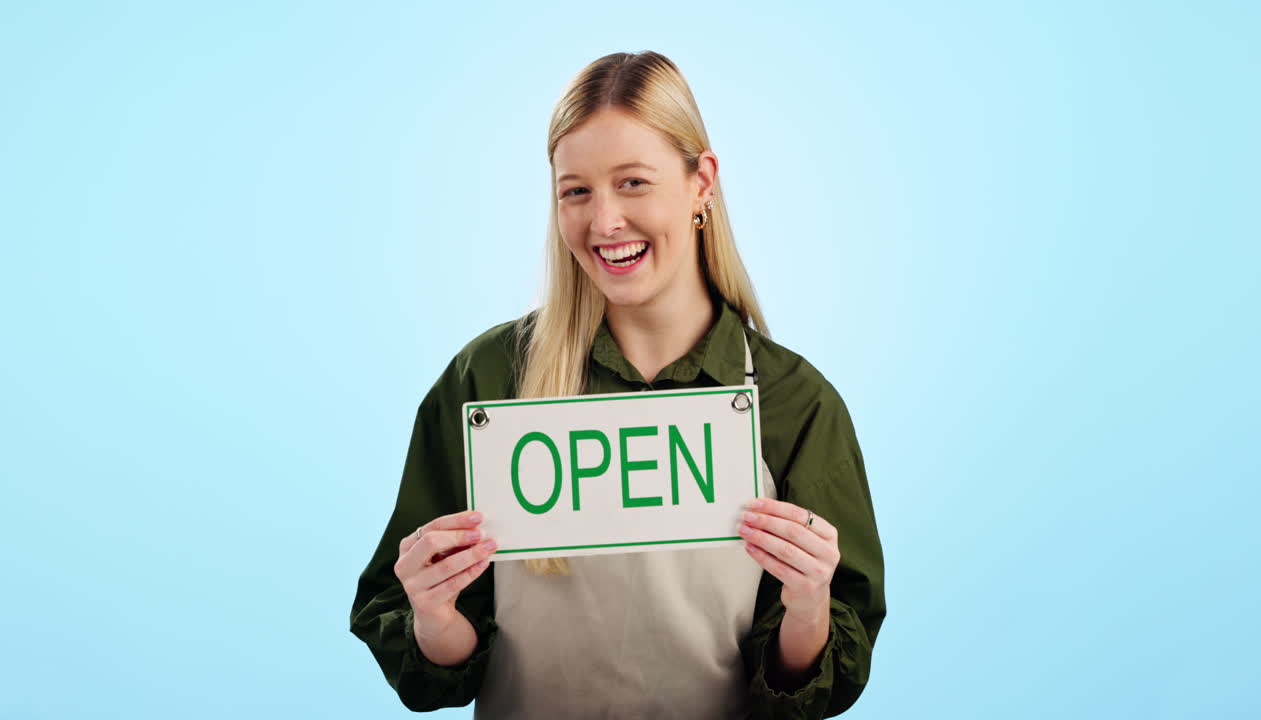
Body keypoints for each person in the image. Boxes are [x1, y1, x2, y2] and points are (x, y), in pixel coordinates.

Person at [349, 50, 886, 719]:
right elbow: (433, 668)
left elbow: (813, 684)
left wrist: (809, 606)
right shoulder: (485, 382)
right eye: (576, 190)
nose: (604, 223)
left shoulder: (795, 404)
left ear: (701, 183)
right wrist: (431, 613)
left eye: (632, 182)